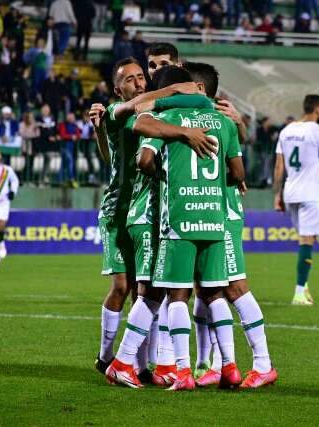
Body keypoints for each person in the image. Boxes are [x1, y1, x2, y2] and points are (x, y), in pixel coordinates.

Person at [117, 65, 245, 391]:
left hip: (173, 217)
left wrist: (168, 174)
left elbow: (142, 155)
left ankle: (165, 368)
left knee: (168, 294)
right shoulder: (222, 121)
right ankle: (229, 365)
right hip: (212, 218)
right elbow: (239, 173)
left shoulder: (164, 119)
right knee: (214, 293)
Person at [90, 57, 204, 379]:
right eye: (131, 79)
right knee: (122, 287)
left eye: (142, 77)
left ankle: (141, 363)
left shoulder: (151, 114)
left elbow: (113, 155)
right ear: (117, 89)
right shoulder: (117, 110)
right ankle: (106, 356)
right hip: (118, 210)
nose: (139, 83)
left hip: (144, 211)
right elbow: (135, 112)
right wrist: (177, 87)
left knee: (147, 288)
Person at [273, 95, 319, 306]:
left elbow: (279, 167)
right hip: (309, 194)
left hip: (290, 193)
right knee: (307, 242)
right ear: (317, 108)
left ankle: (303, 287)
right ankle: (298, 293)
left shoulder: (286, 131)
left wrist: (277, 195)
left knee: (306, 240)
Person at [57, 112, 80, 187]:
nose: (72, 119)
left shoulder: (75, 125)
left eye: (72, 117)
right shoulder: (63, 125)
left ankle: (59, 180)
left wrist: (74, 136)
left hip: (72, 147)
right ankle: (71, 178)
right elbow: (62, 135)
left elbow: (78, 134)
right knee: (70, 161)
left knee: (64, 164)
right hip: (64, 147)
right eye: (70, 117)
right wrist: (71, 137)